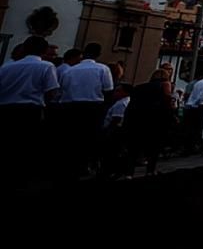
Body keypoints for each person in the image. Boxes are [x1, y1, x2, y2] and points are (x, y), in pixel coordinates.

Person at [0, 37, 60, 180]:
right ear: (44, 50)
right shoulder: (46, 66)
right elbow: (51, 91)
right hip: (30, 110)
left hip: (6, 109)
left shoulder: (6, 67)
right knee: (26, 146)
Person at [56, 45, 114, 179]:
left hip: (70, 107)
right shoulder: (102, 69)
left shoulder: (70, 70)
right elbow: (108, 90)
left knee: (71, 137)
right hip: (93, 107)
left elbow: (62, 89)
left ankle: (68, 166)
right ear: (98, 54)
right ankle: (85, 165)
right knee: (91, 138)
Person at [125, 66, 175, 175]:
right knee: (153, 148)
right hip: (155, 122)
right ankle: (150, 171)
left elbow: (131, 104)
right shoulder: (164, 87)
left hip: (137, 120)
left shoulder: (139, 87)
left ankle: (129, 173)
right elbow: (168, 107)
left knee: (134, 148)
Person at [99, 82, 133, 179]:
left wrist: (108, 131)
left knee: (111, 153)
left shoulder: (121, 104)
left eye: (118, 91)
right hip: (117, 131)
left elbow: (116, 119)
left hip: (115, 132)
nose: (115, 93)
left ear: (125, 93)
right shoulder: (125, 102)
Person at [181, 69, 203, 154]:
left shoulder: (198, 83)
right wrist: (196, 104)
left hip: (194, 106)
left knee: (192, 127)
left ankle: (189, 146)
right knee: (199, 127)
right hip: (201, 107)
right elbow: (201, 96)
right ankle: (194, 146)